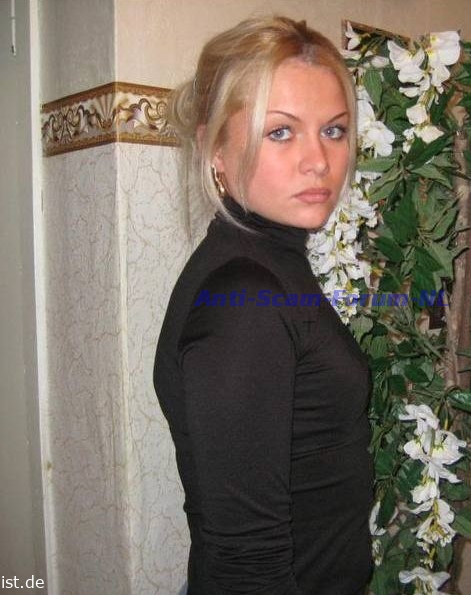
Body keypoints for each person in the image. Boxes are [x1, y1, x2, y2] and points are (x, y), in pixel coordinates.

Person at [153, 16, 374, 595]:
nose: (319, 160)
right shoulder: (245, 299)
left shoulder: (267, 263)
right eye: (281, 132)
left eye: (334, 130)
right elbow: (246, 564)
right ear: (215, 149)